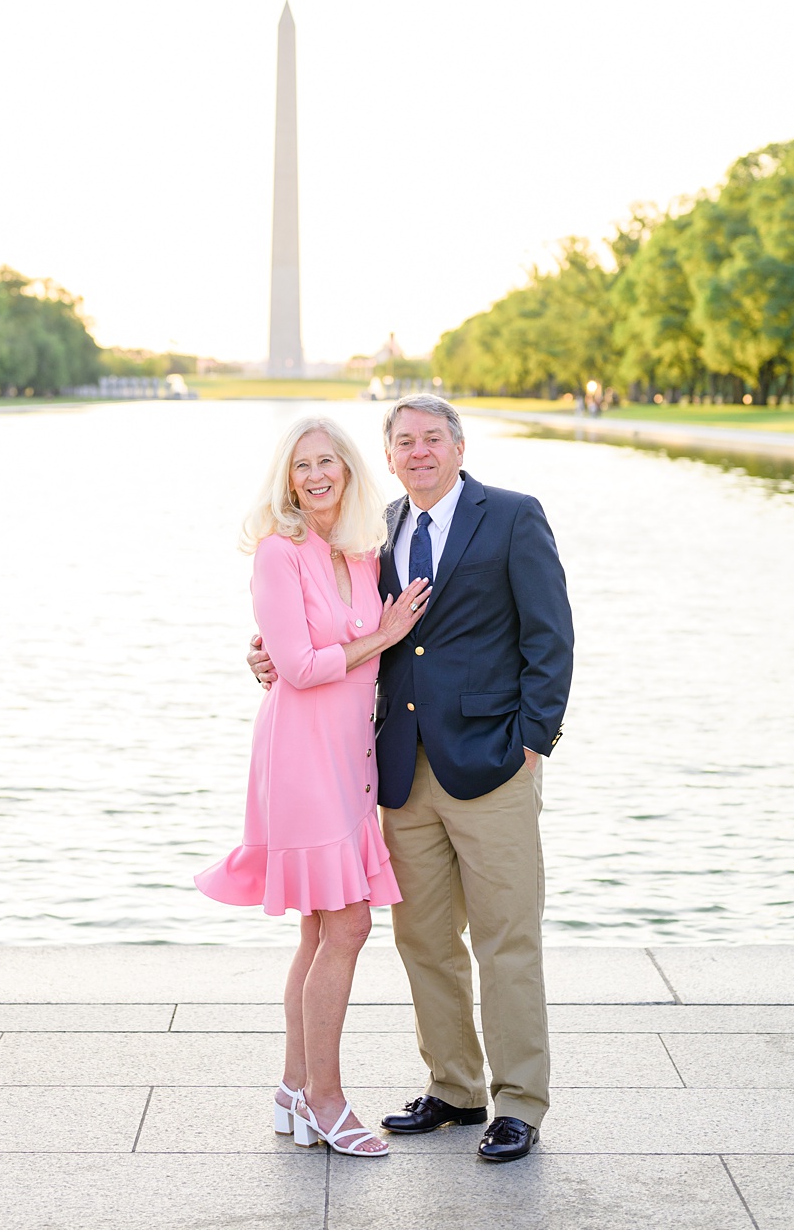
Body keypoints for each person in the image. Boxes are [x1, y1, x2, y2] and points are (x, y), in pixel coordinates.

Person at [248, 394, 574, 1164]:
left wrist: (534, 740)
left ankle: (518, 1102)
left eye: (433, 438)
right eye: (405, 442)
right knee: (423, 939)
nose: (419, 452)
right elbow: (328, 626)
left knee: (506, 938)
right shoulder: (375, 529)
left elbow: (550, 635)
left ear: (459, 446)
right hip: (395, 770)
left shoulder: (514, 516)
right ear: (388, 456)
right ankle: (454, 1087)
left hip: (493, 763)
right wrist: (264, 653)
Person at [197, 417, 432, 1158]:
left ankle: (294, 1090)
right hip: (301, 755)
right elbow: (296, 666)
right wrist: (381, 638)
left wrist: (378, 641)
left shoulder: (360, 554)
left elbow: (347, 653)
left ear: (350, 470)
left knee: (322, 928)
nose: (317, 475)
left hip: (351, 754)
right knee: (351, 925)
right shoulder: (279, 551)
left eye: (328, 461)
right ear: (288, 479)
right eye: (303, 466)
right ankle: (327, 1101)